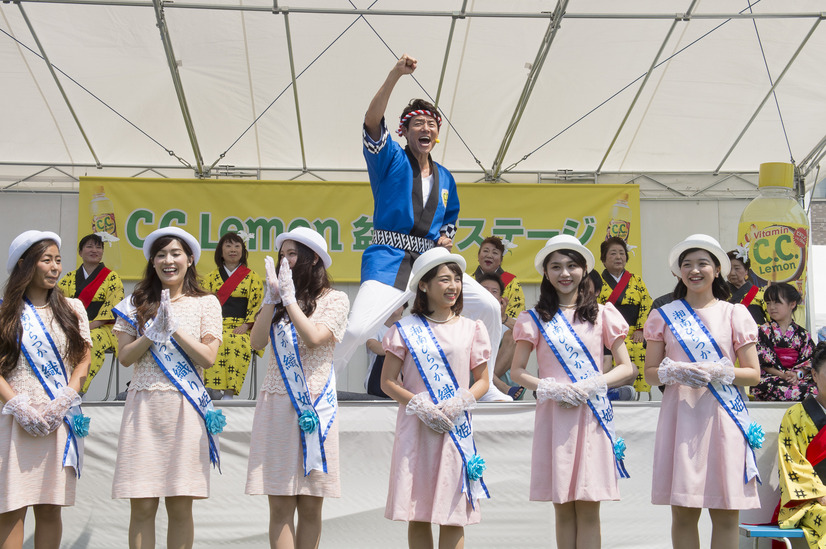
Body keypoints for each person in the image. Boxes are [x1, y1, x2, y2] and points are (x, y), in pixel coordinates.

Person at [333, 53, 510, 402]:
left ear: (438, 133)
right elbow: (371, 119)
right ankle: (319, 386)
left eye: (431, 124)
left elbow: (450, 218)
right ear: (404, 131)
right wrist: (396, 74)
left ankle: (484, 385)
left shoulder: (445, 177)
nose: (425, 129)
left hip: (430, 260)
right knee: (356, 328)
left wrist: (447, 236)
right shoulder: (390, 159)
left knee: (488, 308)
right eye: (417, 124)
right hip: (389, 256)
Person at [510, 235, 633, 549]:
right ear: (546, 274)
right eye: (556, 267)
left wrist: (594, 383)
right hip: (555, 418)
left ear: (584, 270)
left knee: (590, 505)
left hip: (592, 416)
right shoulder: (533, 319)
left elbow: (626, 367)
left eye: (571, 265)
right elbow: (517, 371)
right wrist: (550, 388)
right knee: (563, 507)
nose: (565, 273)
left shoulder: (603, 314)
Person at [643, 234, 762, 549]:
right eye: (687, 265)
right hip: (680, 420)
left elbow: (753, 374)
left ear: (717, 269)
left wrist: (720, 371)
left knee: (725, 513)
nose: (694, 270)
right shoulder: (663, 315)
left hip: (724, 419)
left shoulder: (734, 313)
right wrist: (675, 370)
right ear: (678, 272)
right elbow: (650, 374)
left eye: (702, 263)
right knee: (683, 513)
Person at [111, 227, 224, 549]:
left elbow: (208, 358)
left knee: (179, 502)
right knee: (142, 502)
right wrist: (152, 333)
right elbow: (125, 357)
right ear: (152, 261)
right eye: (161, 254)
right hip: (143, 409)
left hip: (185, 411)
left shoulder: (206, 303)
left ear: (190, 259)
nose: (168, 260)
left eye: (175, 254)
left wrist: (174, 329)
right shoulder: (134, 304)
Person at [380, 247, 491, 549]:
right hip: (417, 428)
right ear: (424, 286)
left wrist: (460, 401)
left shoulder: (472, 329)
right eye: (444, 279)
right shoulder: (404, 330)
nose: (453, 286)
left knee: (454, 513)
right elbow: (387, 381)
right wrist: (417, 403)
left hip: (454, 427)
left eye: (456, 279)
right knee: (418, 512)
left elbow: (483, 381)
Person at [246, 227, 349, 549]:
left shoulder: (336, 299)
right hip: (277, 404)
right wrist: (270, 301)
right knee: (279, 504)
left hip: (316, 407)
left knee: (310, 504)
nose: (285, 261)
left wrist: (288, 300)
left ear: (313, 258)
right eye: (282, 255)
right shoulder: (279, 303)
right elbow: (256, 341)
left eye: (292, 254)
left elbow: (315, 337)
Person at [0, 230, 91, 549]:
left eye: (58, 260)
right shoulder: (5, 312)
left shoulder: (73, 308)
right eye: (46, 260)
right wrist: (19, 406)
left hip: (58, 418)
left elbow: (84, 358)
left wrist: (65, 398)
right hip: (16, 419)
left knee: (50, 506)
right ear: (25, 265)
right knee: (12, 506)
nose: (55, 267)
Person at [58, 232, 124, 394]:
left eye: (99, 247)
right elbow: (58, 303)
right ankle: (59, 385)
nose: (95, 250)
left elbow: (113, 307)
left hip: (101, 327)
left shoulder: (112, 278)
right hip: (72, 327)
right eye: (89, 246)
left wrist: (88, 327)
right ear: (80, 252)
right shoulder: (68, 278)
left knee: (91, 341)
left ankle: (77, 390)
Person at [202, 231, 264, 400]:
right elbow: (204, 305)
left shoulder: (253, 278)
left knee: (235, 341)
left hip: (240, 326)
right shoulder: (209, 278)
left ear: (243, 251)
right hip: (216, 324)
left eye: (237, 246)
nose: (233, 249)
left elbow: (256, 305)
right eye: (228, 245)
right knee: (211, 341)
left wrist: (246, 325)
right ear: (220, 251)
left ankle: (229, 392)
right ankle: (211, 388)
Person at [777, 342, 826, 548]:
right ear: (814, 375)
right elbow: (792, 463)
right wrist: (821, 494)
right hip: (809, 501)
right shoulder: (795, 415)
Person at [590, 236, 652, 393]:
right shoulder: (598, 282)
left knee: (638, 348)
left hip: (632, 333)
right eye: (613, 253)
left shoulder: (636, 281)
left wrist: (640, 330)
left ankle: (633, 392)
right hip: (606, 333)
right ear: (603, 259)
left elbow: (646, 305)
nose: (618, 257)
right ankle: (609, 388)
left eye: (622, 253)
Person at [752, 282, 816, 401]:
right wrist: (783, 375)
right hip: (772, 377)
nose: (771, 307)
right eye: (768, 303)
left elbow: (809, 362)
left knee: (814, 389)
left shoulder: (803, 335)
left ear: (792, 304)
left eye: (777, 302)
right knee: (769, 386)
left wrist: (797, 374)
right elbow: (762, 361)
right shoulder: (762, 331)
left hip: (796, 378)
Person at [477, 272, 524, 400]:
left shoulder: (508, 320)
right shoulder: (465, 317)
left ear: (501, 299)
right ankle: (499, 386)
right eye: (484, 290)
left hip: (493, 375)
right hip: (473, 375)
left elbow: (527, 335)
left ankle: (487, 385)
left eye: (494, 291)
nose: (489, 294)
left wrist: (503, 318)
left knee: (514, 336)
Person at [473, 236, 525, 322]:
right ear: (478, 256)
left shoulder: (511, 282)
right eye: (485, 251)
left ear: (501, 260)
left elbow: (517, 315)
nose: (489, 255)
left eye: (495, 253)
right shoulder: (467, 280)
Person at [364, 303, 406, 399]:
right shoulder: (375, 327)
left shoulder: (410, 327)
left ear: (404, 305)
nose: (395, 305)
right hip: (378, 384)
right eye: (392, 301)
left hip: (405, 379)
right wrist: (398, 351)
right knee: (387, 355)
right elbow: (372, 345)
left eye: (399, 302)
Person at [726, 249, 767, 326]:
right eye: (729, 268)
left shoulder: (760, 294)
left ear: (746, 270)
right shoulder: (721, 293)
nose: (732, 273)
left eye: (737, 268)